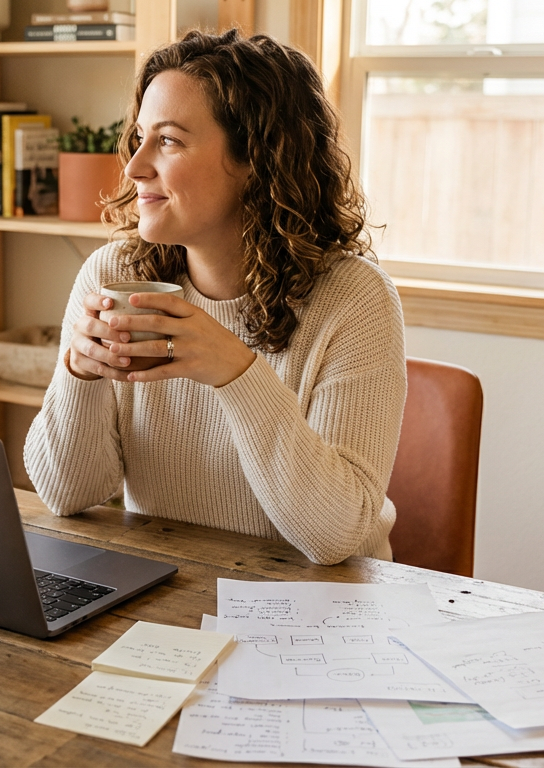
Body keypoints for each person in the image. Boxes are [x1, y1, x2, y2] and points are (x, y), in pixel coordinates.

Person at [24, 30, 407, 566]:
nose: (134, 168)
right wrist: (79, 375)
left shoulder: (355, 300)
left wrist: (235, 372)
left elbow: (335, 537)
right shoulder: (112, 275)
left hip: (323, 613)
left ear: (257, 157)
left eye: (170, 141)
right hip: (168, 589)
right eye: (139, 138)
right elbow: (67, 494)